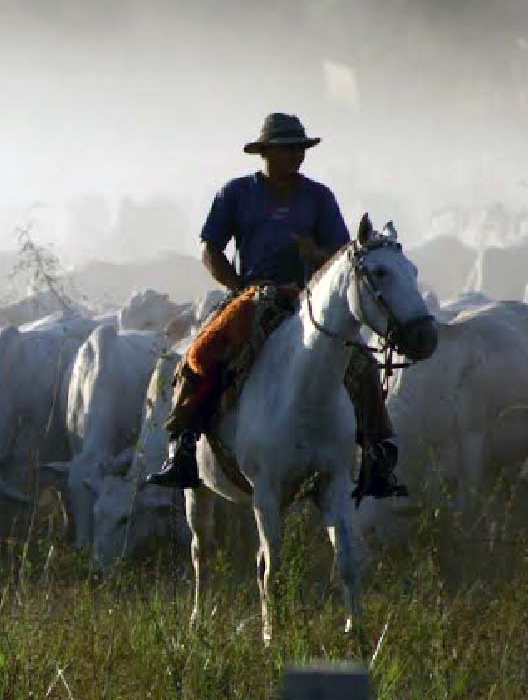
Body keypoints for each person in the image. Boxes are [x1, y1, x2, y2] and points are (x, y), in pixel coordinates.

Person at [145, 112, 406, 503]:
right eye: (288, 150)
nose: (297, 157)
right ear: (266, 153)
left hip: (308, 300)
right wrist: (237, 287)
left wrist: (313, 253)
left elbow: (339, 257)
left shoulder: (319, 197)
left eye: (300, 150)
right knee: (202, 352)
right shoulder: (236, 194)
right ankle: (183, 446)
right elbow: (209, 249)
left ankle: (378, 453)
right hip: (254, 295)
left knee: (360, 362)